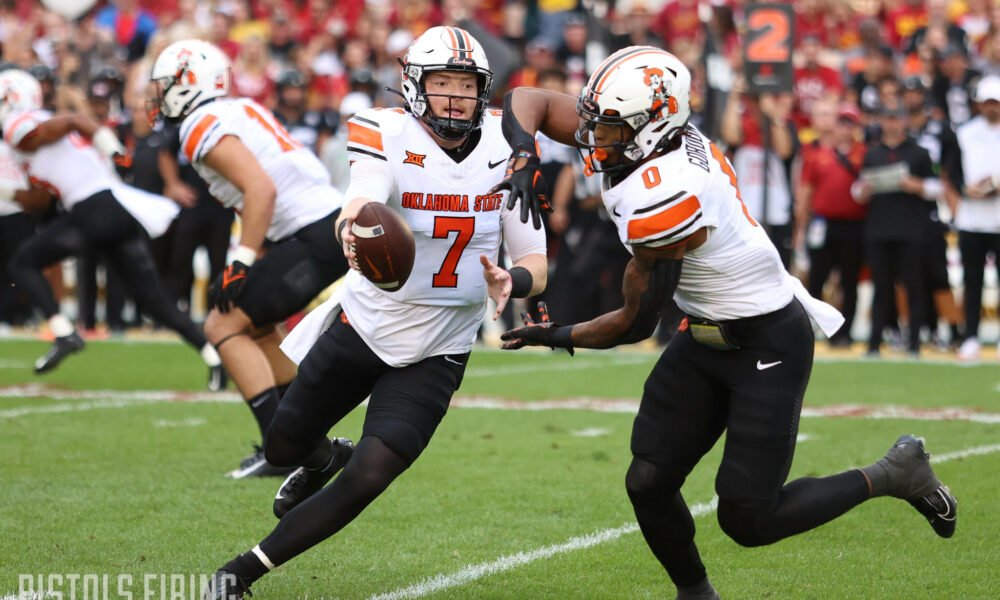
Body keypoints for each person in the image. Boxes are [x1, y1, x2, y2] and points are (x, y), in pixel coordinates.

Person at [495, 46, 957, 600]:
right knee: (648, 480)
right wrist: (523, 157)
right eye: (596, 119)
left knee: (749, 518)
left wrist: (557, 334)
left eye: (609, 126)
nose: (593, 136)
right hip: (705, 330)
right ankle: (696, 595)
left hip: (767, 338)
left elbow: (636, 323)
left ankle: (894, 473)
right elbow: (528, 99)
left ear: (651, 124)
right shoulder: (649, 137)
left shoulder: (669, 194)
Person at [201, 26, 547, 599]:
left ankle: (243, 571)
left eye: (467, 85)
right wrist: (352, 228)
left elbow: (535, 257)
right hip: (365, 324)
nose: (456, 97)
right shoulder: (385, 130)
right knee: (284, 445)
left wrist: (518, 279)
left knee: (372, 473)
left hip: (440, 345)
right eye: (443, 83)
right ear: (414, 86)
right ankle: (321, 458)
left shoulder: (505, 147)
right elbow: (363, 195)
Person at [150, 40, 350, 478]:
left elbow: (261, 190)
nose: (159, 94)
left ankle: (283, 450)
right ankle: (306, 443)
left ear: (188, 82)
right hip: (325, 228)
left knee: (221, 325)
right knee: (254, 328)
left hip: (310, 232)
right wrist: (252, 257)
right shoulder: (237, 109)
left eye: (165, 85)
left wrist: (239, 262)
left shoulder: (199, 123)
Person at [0, 69, 223, 382]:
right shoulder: (34, 131)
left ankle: (64, 334)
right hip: (113, 210)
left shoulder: (19, 124)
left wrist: (114, 151)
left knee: (23, 262)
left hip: (93, 210)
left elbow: (75, 120)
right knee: (153, 300)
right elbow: (37, 200)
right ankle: (214, 356)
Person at [856, 100, 941, 356]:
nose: (891, 124)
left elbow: (936, 188)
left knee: (914, 286)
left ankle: (914, 343)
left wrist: (916, 185)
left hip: (910, 230)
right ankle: (874, 344)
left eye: (896, 118)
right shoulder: (872, 154)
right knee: (881, 288)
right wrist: (865, 189)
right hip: (879, 229)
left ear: (904, 121)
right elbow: (857, 192)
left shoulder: (919, 153)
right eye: (887, 118)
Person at [951, 75, 1000, 360]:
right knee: (972, 281)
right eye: (987, 102)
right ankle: (970, 336)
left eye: (996, 102)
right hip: (971, 219)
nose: (991, 107)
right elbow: (952, 171)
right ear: (979, 104)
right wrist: (965, 189)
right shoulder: (965, 133)